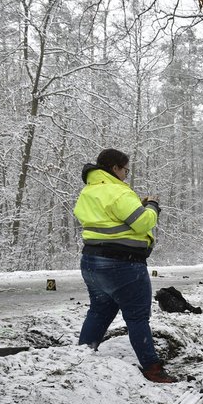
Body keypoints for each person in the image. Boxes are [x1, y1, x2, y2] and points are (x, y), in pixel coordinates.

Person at [73, 148, 176, 383]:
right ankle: (152, 368)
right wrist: (152, 206)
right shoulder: (119, 192)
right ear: (114, 168)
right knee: (138, 318)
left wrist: (134, 205)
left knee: (99, 311)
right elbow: (142, 223)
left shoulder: (88, 191)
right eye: (125, 170)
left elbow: (108, 218)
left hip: (91, 261)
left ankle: (80, 357)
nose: (126, 176)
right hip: (123, 265)